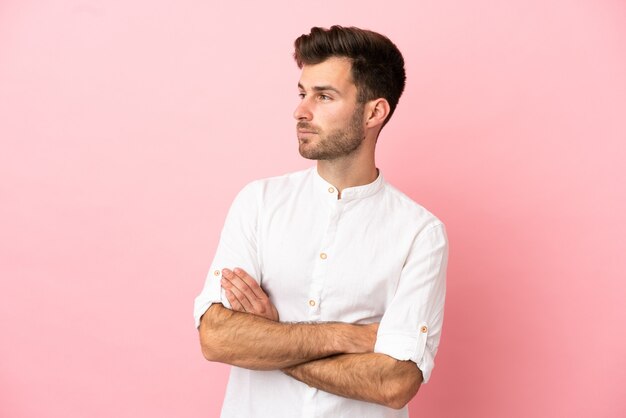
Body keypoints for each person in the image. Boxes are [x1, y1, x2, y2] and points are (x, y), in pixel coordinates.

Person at [194, 25, 448, 418]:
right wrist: (348, 337)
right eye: (302, 93)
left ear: (373, 112)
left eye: (324, 96)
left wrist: (270, 341)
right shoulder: (258, 203)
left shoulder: (420, 233)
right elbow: (216, 336)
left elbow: (394, 382)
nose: (301, 111)